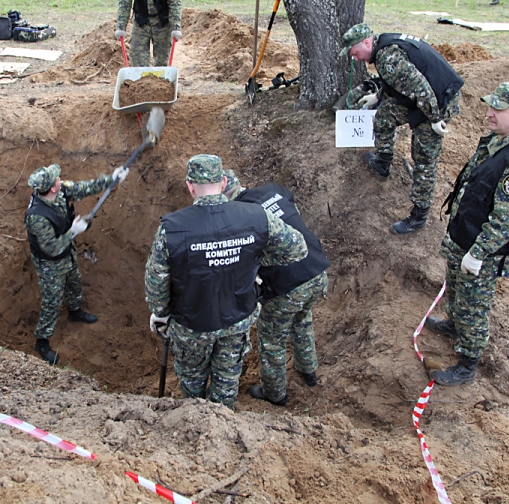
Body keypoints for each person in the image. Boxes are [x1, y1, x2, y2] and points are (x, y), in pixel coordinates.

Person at [144, 155, 308, 409]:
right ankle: (223, 428)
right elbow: (297, 248)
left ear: (189, 186)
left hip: (191, 325)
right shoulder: (256, 216)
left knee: (192, 384)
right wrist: (254, 261)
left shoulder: (172, 228)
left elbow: (156, 283)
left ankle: (195, 424)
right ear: (222, 182)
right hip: (237, 318)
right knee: (226, 384)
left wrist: (161, 313)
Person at [427, 83, 509, 386]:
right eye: (490, 106)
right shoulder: (496, 141)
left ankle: (468, 362)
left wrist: (477, 253)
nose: (488, 113)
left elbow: (506, 221)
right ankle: (454, 324)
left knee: (473, 305)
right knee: (456, 287)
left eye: (497, 109)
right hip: (465, 235)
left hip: (483, 251)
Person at [339, 23, 463, 234]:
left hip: (438, 102)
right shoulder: (383, 48)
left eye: (355, 52)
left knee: (423, 158)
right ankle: (383, 163)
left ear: (366, 42)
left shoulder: (388, 57)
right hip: (422, 98)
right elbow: (399, 82)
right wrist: (377, 97)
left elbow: (420, 87)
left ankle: (418, 216)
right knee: (383, 118)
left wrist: (434, 119)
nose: (355, 58)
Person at [223, 171, 330, 406]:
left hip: (288, 286)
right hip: (317, 271)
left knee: (272, 339)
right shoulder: (274, 190)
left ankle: (275, 393)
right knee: (302, 319)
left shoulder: (237, 216)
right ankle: (309, 372)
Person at [26, 164, 129, 364]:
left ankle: (75, 312)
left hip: (67, 252)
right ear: (52, 188)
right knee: (52, 300)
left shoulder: (60, 190)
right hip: (50, 263)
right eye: (57, 179)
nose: (60, 179)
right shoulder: (36, 217)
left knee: (74, 282)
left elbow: (83, 188)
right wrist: (74, 231)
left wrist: (111, 178)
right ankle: (42, 341)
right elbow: (52, 248)